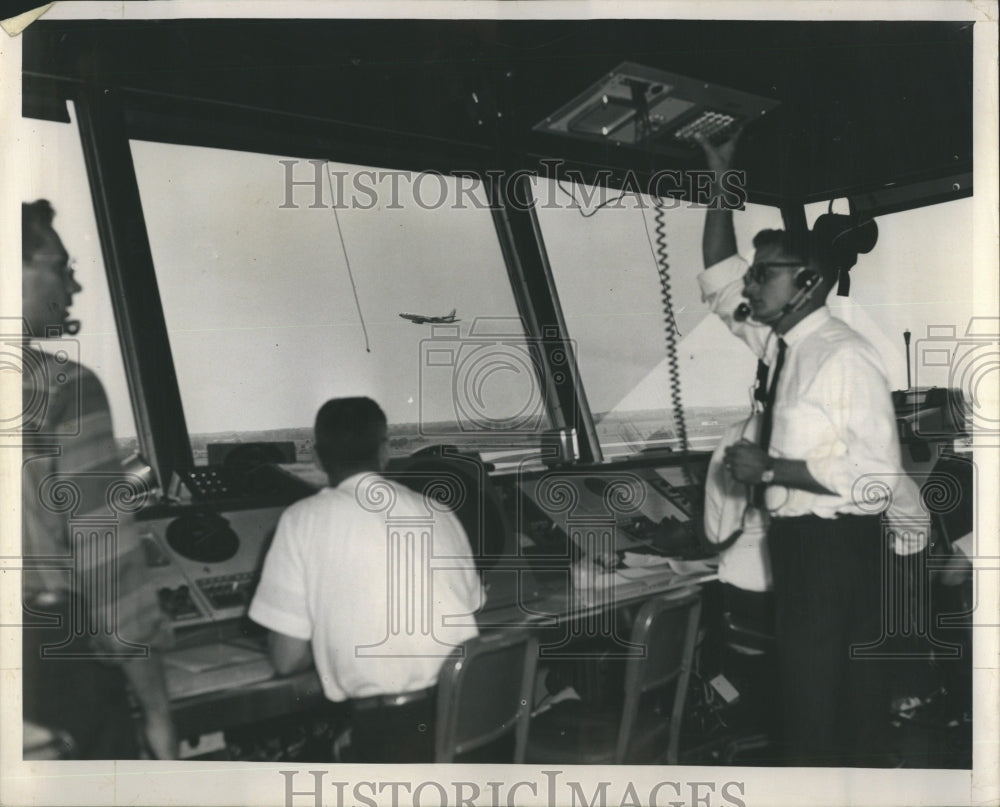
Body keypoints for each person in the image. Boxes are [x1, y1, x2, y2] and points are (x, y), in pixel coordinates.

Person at [695, 135, 926, 767]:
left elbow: (877, 480)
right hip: (798, 551)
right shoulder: (781, 346)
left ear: (807, 283)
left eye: (763, 274)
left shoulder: (843, 357)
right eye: (755, 273)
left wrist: (771, 467)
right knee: (810, 709)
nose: (750, 284)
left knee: (829, 717)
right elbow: (718, 279)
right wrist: (723, 183)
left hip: (838, 554)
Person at [20, 200, 177, 759]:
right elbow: (108, 565)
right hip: (48, 661)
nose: (74, 286)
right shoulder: (63, 389)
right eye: (61, 266)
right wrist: (157, 713)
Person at [248, 397, 483, 762]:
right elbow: (467, 608)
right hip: (472, 723)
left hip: (394, 737)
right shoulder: (439, 509)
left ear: (317, 458)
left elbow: (286, 659)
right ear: (385, 451)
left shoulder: (301, 520)